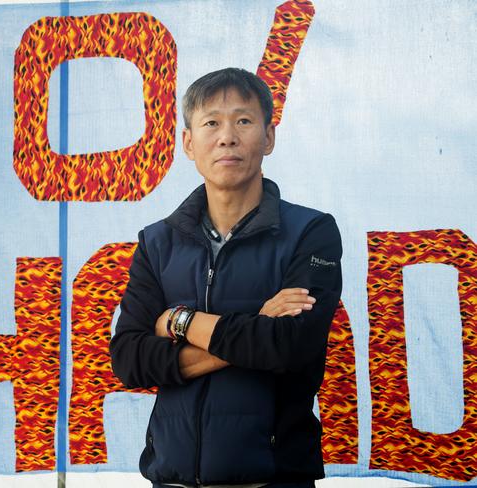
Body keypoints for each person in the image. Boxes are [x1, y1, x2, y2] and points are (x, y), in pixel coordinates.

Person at [110, 67, 343, 488]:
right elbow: (129, 359)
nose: (227, 137)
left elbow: (290, 345)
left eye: (243, 121)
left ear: (268, 138)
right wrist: (258, 327)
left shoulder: (311, 232)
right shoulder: (158, 242)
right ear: (188, 142)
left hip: (274, 479)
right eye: (211, 122)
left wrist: (179, 322)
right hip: (172, 478)